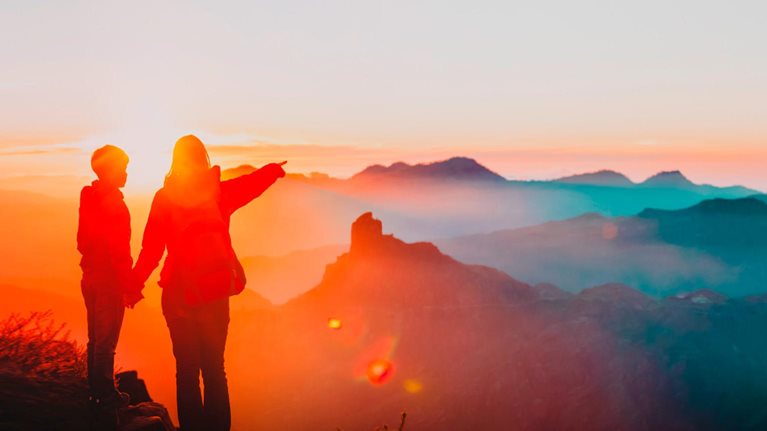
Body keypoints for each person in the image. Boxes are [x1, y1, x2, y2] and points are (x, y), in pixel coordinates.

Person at [130, 135, 286, 431]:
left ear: (176, 161)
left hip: (179, 294)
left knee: (187, 372)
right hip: (216, 292)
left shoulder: (165, 198)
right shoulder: (218, 193)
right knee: (215, 370)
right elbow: (249, 185)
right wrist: (272, 170)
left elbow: (151, 250)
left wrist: (133, 285)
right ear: (204, 159)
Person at [77, 145, 137, 412]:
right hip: (108, 280)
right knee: (106, 342)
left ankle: (94, 393)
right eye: (123, 168)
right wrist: (130, 287)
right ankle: (106, 396)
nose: (126, 174)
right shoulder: (115, 205)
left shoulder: (88, 196)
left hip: (89, 276)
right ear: (112, 171)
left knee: (94, 339)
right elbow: (120, 253)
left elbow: (81, 241)